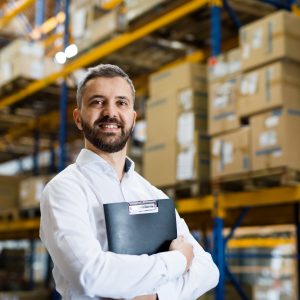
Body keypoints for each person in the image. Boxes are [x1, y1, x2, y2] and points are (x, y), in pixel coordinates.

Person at [40, 64, 219, 300]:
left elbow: (207, 270)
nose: (110, 112)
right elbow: (90, 275)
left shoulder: (153, 194)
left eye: (121, 103)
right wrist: (177, 260)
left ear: (133, 118)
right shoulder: (64, 190)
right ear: (78, 118)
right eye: (97, 102)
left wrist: (158, 297)